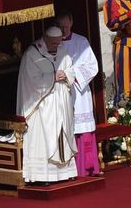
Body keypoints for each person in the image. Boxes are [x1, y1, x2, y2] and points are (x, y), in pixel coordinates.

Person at [16, 26, 77, 183]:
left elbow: (71, 69)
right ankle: (43, 176)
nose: (57, 46)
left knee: (63, 134)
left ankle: (64, 173)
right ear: (45, 39)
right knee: (43, 137)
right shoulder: (32, 54)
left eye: (59, 43)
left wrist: (66, 74)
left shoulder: (62, 51)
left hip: (61, 101)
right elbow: (30, 80)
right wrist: (52, 77)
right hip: (42, 105)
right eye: (54, 43)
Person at [55, 9, 100, 176]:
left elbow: (92, 66)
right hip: (61, 93)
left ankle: (87, 167)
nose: (64, 31)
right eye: (60, 27)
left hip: (79, 92)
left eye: (66, 26)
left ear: (71, 23)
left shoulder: (81, 42)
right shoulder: (53, 44)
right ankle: (68, 169)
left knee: (82, 130)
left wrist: (72, 75)